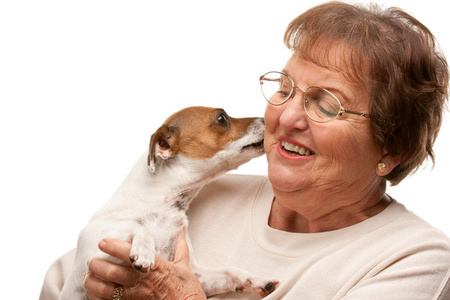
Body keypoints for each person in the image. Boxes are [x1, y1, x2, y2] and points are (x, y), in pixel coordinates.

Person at [40, 1, 450, 299]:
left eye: (326, 104)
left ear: (390, 149)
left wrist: (179, 296)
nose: (286, 116)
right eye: (284, 88)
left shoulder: (415, 260)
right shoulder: (202, 194)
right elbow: (63, 281)